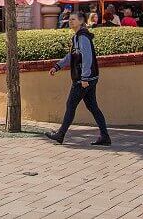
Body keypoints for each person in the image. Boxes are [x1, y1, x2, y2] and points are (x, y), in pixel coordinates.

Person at [44, 11, 111, 146]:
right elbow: (72, 56)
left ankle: (60, 134)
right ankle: (105, 137)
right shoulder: (77, 37)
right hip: (89, 78)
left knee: (71, 105)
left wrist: (85, 77)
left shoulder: (83, 37)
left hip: (83, 80)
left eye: (73, 19)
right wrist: (57, 66)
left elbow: (87, 57)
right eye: (70, 19)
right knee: (92, 107)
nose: (70, 21)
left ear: (81, 21)